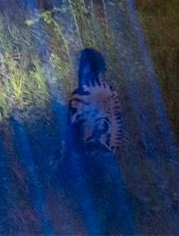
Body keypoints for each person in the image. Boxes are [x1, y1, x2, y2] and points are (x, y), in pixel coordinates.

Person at [59, 48, 134, 234]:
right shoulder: (105, 94)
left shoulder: (83, 96)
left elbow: (72, 137)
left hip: (90, 162)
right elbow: (116, 130)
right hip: (99, 161)